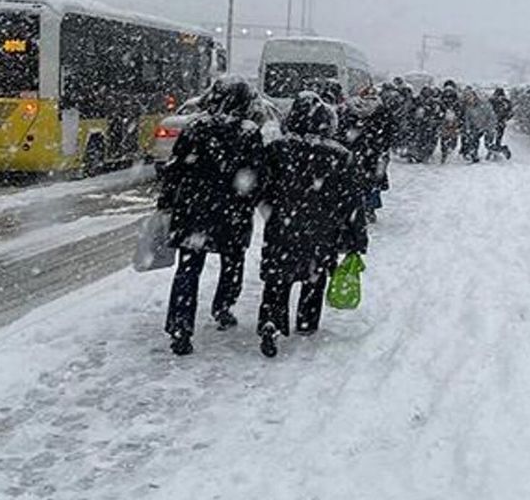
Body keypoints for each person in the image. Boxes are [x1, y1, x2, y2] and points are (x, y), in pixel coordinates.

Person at [159, 77, 266, 356]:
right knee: (232, 261)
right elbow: (256, 175)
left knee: (188, 267)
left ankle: (181, 326)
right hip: (232, 210)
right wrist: (249, 200)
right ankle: (223, 306)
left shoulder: (196, 127)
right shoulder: (249, 132)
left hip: (194, 208)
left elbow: (176, 167)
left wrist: (167, 201)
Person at [257, 92, 368, 358]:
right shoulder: (340, 155)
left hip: (282, 226)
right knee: (313, 277)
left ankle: (271, 320)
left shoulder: (277, 149)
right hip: (322, 229)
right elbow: (352, 201)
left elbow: (261, 186)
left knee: (277, 278)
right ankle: (306, 322)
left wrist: (272, 208)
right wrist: (357, 237)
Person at [340, 85, 394, 223]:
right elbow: (390, 131)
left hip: (357, 151)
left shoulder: (352, 109)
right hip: (376, 152)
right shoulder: (382, 110)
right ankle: (370, 207)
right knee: (374, 180)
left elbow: (344, 131)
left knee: (356, 179)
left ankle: (359, 206)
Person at [461, 86, 495, 163]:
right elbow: (467, 119)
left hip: (487, 126)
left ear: (474, 96)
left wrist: (489, 127)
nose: (469, 99)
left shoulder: (484, 105)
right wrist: (468, 128)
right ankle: (474, 156)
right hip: (476, 127)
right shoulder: (468, 108)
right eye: (467, 97)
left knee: (488, 144)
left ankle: (502, 149)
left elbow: (491, 116)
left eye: (470, 97)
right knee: (473, 140)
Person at [438, 80, 463, 163]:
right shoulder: (443, 97)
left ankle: (447, 151)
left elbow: (459, 108)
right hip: (446, 120)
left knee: (450, 137)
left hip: (452, 119)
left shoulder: (455, 97)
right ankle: (445, 153)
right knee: (446, 137)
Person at [489, 87, 514, 156]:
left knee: (491, 139)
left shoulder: (491, 100)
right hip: (500, 123)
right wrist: (505, 119)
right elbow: (511, 113)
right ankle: (499, 150)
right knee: (498, 139)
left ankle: (494, 151)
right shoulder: (507, 102)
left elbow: (487, 110)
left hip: (494, 123)